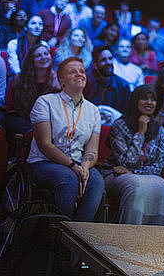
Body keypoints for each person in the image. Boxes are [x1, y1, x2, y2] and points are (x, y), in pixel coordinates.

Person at [27, 57, 105, 221]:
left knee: (96, 180)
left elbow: (92, 150)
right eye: (72, 72)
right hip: (44, 161)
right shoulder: (45, 102)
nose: (79, 74)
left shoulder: (93, 110)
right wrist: (72, 166)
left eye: (82, 71)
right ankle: (59, 233)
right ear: (61, 80)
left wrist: (84, 166)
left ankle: (79, 232)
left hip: (76, 162)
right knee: (68, 178)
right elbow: (45, 145)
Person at [102, 84, 164, 225]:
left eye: (153, 100)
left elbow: (159, 167)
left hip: (139, 174)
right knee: (134, 184)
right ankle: (129, 234)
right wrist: (140, 133)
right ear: (135, 101)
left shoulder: (158, 130)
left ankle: (158, 237)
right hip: (115, 174)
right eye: (144, 99)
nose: (149, 103)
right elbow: (125, 161)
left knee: (163, 186)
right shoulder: (120, 125)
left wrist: (133, 171)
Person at [2, 42, 60, 139]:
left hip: (47, 121)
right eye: (38, 55)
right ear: (31, 60)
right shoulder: (19, 79)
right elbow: (14, 107)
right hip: (21, 118)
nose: (44, 58)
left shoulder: (57, 79)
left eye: (46, 54)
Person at [84, 46, 131, 115]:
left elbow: (125, 114)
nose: (108, 62)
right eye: (103, 60)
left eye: (110, 58)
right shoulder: (87, 83)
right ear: (95, 65)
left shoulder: (123, 86)